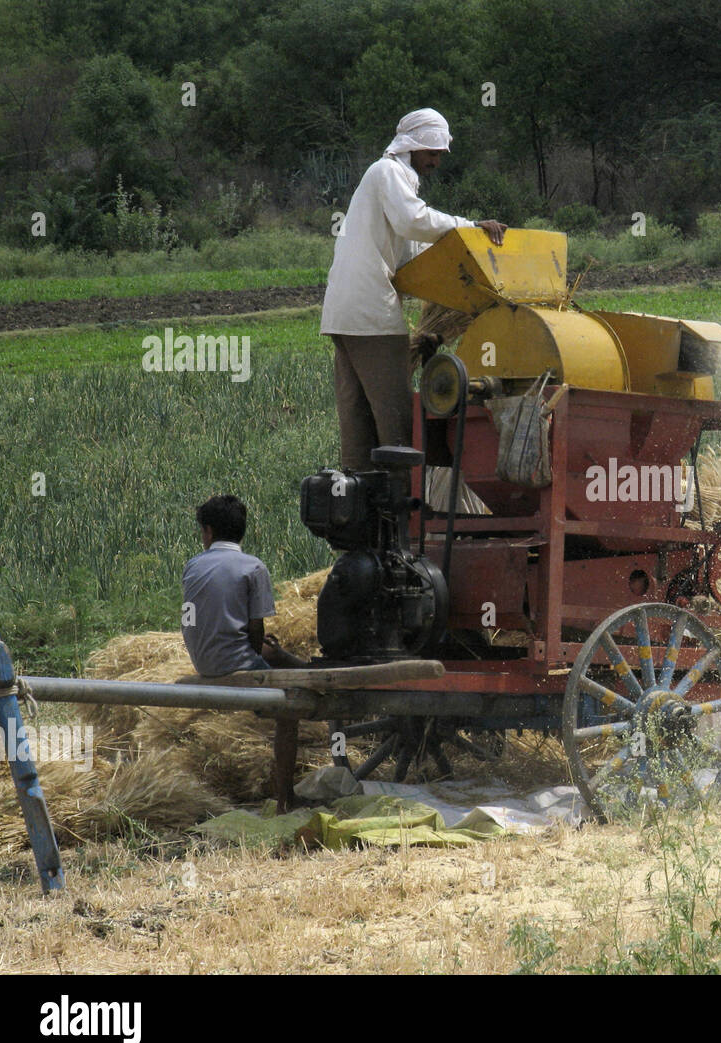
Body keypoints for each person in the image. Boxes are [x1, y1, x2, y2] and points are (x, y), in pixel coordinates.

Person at [320, 107, 507, 473]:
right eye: (432, 153)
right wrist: (469, 226)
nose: (436, 161)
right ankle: (404, 505)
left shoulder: (391, 180)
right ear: (413, 147)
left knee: (358, 418)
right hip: (370, 311)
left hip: (346, 312)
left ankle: (359, 498)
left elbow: (412, 256)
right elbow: (414, 220)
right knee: (396, 421)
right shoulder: (387, 172)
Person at [181, 495, 305, 677]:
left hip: (202, 662)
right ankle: (312, 671)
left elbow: (189, 619)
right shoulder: (254, 567)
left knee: (270, 653)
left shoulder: (192, 566)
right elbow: (256, 629)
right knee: (281, 663)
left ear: (208, 531)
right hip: (237, 664)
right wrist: (256, 655)